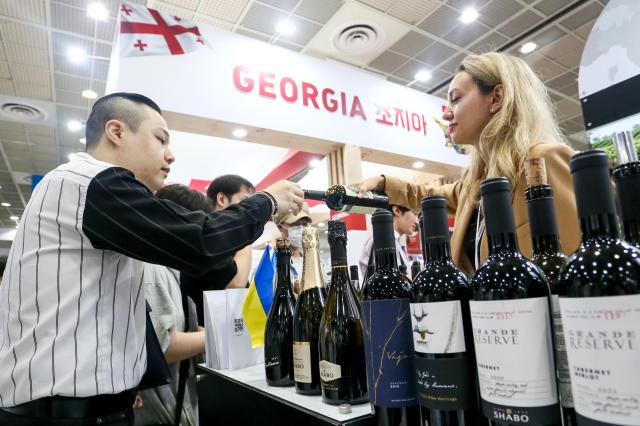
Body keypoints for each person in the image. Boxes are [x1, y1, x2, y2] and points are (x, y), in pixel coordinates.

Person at [0, 92, 303, 425]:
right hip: (66, 415)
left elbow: (209, 264)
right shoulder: (89, 182)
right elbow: (200, 240)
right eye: (161, 140)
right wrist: (266, 202)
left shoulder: (95, 198)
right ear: (116, 132)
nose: (170, 155)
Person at [356, 52, 580, 275]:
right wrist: (382, 183)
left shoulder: (542, 161)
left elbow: (578, 269)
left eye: (456, 98)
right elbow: (425, 195)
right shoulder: (474, 184)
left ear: (496, 98)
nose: (445, 114)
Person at [136, 184, 212, 426]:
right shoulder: (152, 268)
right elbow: (164, 347)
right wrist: (216, 336)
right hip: (157, 413)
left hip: (172, 405)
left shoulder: (169, 268)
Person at [358, 204, 418, 280]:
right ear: (397, 211)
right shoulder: (380, 241)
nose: (417, 221)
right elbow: (393, 280)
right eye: (414, 213)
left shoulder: (397, 243)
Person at [275, 202, 312, 294]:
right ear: (280, 227)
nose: (301, 229)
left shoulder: (314, 262)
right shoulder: (271, 265)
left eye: (304, 224)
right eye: (294, 224)